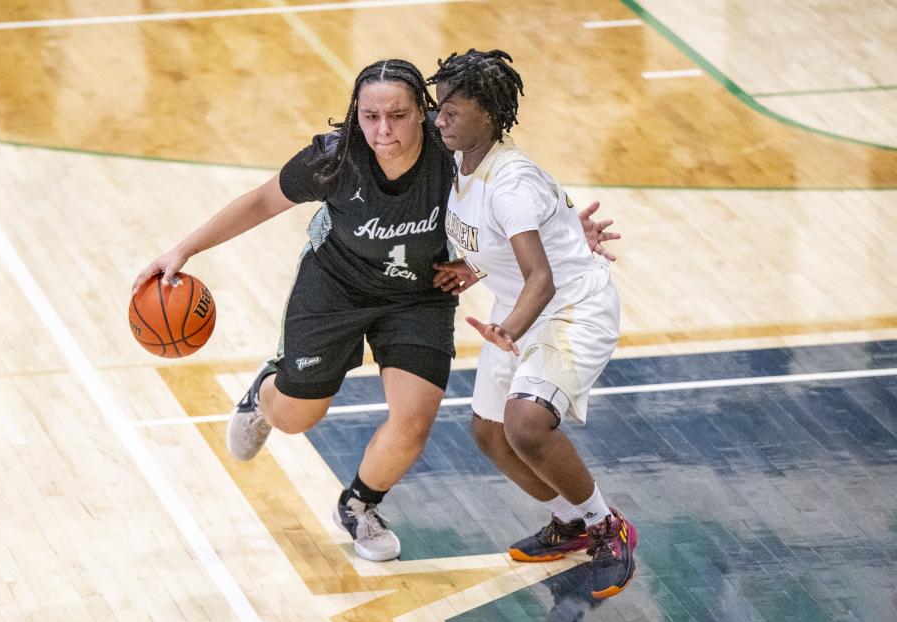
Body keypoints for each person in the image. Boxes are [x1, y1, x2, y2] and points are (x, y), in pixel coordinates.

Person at [134, 58, 617, 563]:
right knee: (297, 417)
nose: (383, 130)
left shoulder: (451, 148)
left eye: (399, 115)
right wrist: (183, 251)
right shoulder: (334, 159)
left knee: (413, 418)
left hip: (420, 294)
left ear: (424, 112)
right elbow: (261, 202)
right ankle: (265, 392)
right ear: (355, 113)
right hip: (336, 285)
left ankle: (359, 504)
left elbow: (516, 192)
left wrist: (565, 232)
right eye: (370, 116)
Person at [428, 49, 637, 599]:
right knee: (488, 433)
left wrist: (508, 332)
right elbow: (502, 238)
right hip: (516, 306)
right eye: (437, 107)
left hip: (569, 307)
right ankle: (570, 521)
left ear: (490, 115)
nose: (439, 118)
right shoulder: (462, 159)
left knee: (525, 424)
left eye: (451, 109)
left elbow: (541, 277)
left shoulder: (511, 180)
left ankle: (607, 528)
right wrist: (473, 268)